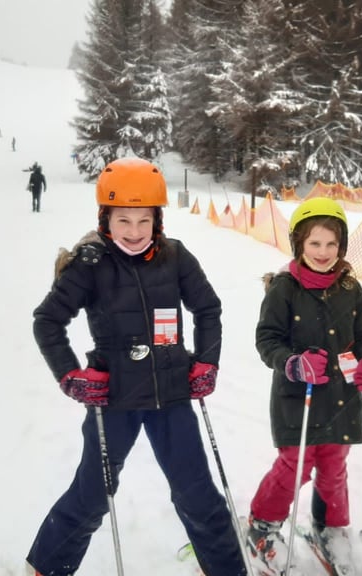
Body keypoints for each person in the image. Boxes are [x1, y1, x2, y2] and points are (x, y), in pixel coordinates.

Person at [26, 157, 246, 576]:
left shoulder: (176, 257)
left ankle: (226, 569)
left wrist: (206, 362)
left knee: (197, 494)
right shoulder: (89, 265)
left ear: (157, 219)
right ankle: (46, 567)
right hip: (114, 398)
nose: (133, 231)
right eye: (122, 219)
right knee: (92, 493)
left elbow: (208, 308)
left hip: (172, 396)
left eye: (143, 220)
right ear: (104, 218)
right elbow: (47, 320)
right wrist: (70, 376)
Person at [245, 197, 362, 573]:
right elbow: (267, 339)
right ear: (298, 244)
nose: (324, 253)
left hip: (341, 397)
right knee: (295, 464)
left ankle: (330, 527)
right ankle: (262, 524)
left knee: (334, 464)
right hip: (298, 397)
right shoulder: (284, 289)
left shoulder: (350, 288)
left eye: (332, 244)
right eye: (314, 244)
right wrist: (292, 363)